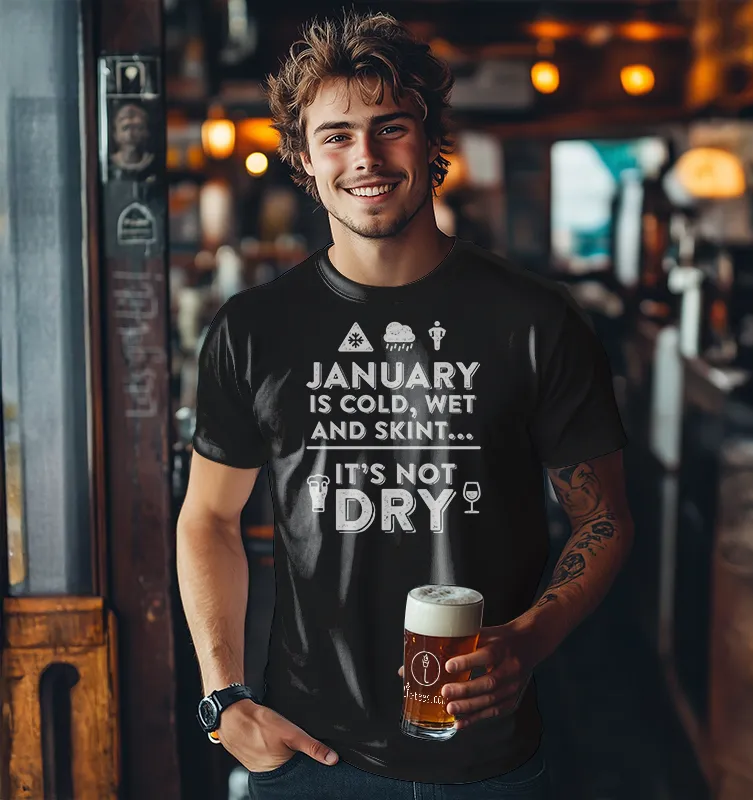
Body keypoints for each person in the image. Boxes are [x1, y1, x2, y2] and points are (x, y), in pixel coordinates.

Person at [176, 10, 633, 800]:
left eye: (390, 126)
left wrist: (529, 641)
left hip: (489, 761)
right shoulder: (254, 331)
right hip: (307, 757)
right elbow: (208, 518)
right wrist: (224, 700)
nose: (366, 156)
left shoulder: (534, 321)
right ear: (304, 159)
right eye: (337, 136)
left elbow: (606, 517)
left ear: (430, 141)